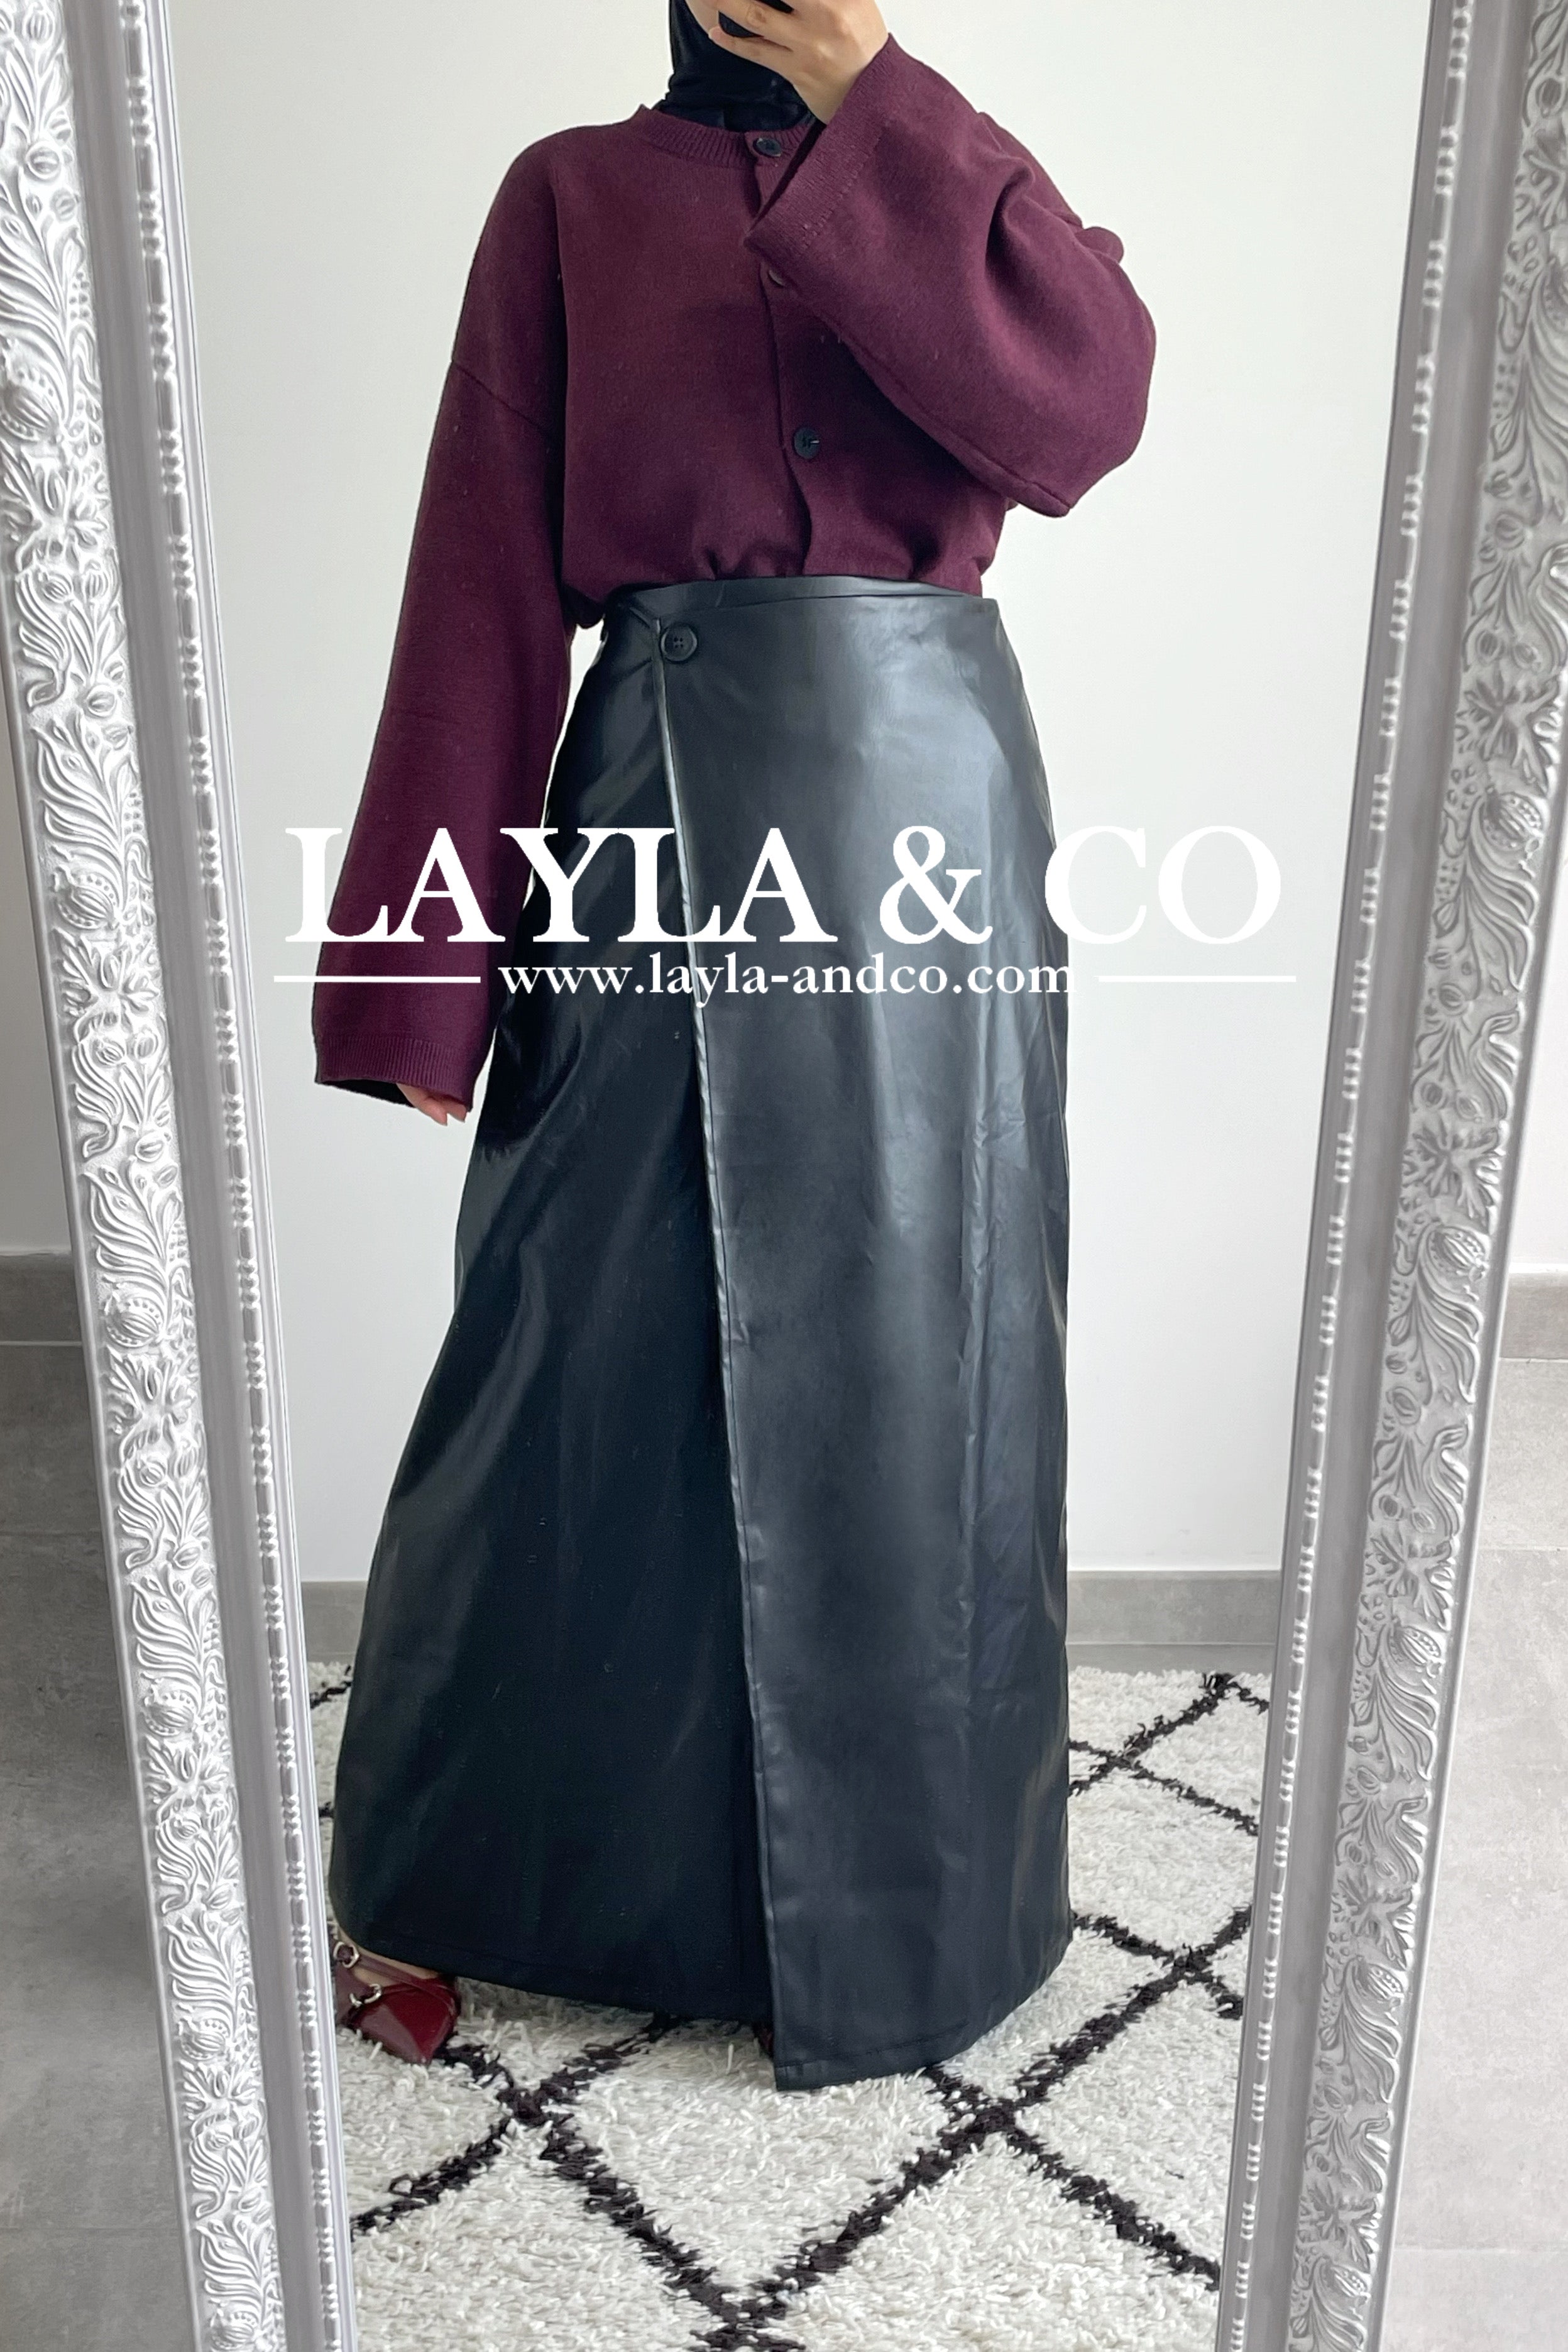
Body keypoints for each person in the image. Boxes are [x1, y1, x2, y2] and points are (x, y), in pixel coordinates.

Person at [315, 0, 1154, 2091]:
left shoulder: (971, 183)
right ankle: (465, 1878)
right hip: (653, 814)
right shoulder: (571, 197)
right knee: (572, 1347)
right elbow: (483, 580)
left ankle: (917, 1907)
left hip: (927, 827)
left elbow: (1086, 416)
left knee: (922, 1360)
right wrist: (423, 969)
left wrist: (882, 104)